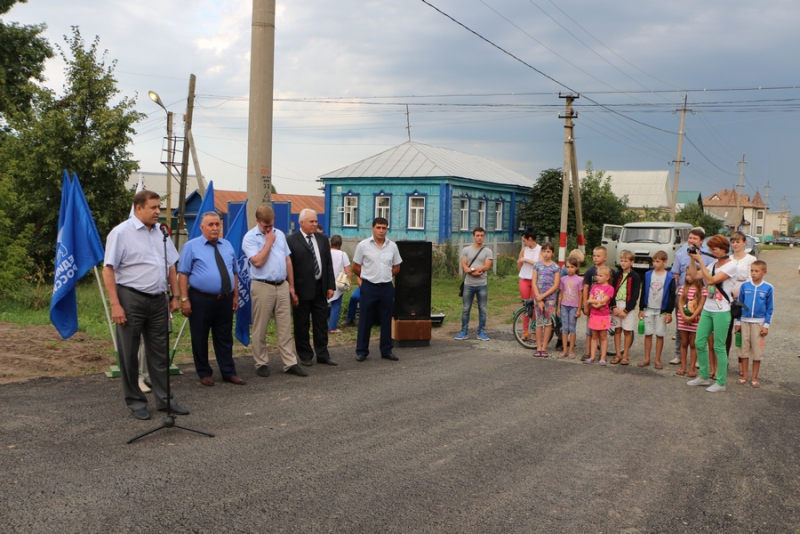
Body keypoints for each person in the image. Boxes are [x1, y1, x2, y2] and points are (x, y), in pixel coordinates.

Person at [102, 190, 188, 420]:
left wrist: (175, 296)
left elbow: (171, 265)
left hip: (158, 300)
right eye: (153, 207)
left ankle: (165, 400)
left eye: (158, 207)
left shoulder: (161, 233)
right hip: (131, 298)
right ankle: (136, 401)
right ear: (138, 208)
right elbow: (108, 268)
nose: (157, 212)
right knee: (129, 353)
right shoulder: (121, 233)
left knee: (159, 353)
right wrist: (115, 305)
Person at [177, 211, 244, 387]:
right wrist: (184, 299)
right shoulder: (191, 246)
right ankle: (204, 372)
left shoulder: (227, 245)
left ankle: (228, 372)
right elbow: (182, 274)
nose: (215, 228)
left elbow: (234, 273)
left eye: (217, 224)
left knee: (224, 337)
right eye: (211, 225)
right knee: (200, 336)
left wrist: (235, 296)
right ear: (202, 227)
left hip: (225, 299)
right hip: (200, 298)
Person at [242, 205, 307, 378]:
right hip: (262, 285)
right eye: (265, 226)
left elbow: (287, 260)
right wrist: (268, 242)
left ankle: (289, 362)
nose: (269, 229)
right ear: (257, 222)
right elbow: (257, 262)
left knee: (285, 327)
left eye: (271, 225)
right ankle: (261, 362)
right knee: (260, 327)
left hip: (282, 285)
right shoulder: (250, 238)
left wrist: (291, 287)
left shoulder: (279, 234)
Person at [286, 209, 337, 366]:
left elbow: (328, 263)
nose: (315, 224)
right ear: (301, 223)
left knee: (321, 323)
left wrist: (330, 285)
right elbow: (289, 266)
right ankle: (305, 355)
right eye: (311, 222)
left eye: (316, 221)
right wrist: (292, 289)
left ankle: (322, 354)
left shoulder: (322, 239)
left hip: (320, 288)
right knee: (302, 324)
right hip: (301, 290)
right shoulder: (291, 240)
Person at [687, 234, 737, 392]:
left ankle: (721, 382)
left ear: (723, 250)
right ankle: (703, 376)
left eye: (713, 249)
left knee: (719, 346)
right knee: (699, 342)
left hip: (722, 310)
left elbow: (710, 281)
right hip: (708, 308)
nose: (711, 251)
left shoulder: (732, 265)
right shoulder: (714, 264)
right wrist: (693, 259)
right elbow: (695, 275)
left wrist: (701, 260)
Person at [352, 217, 402, 362]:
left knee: (386, 318)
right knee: (365, 318)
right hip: (369, 286)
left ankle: (386, 350)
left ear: (387, 229)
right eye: (378, 227)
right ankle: (362, 351)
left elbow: (397, 266)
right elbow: (355, 266)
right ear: (372, 228)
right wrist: (368, 277)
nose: (381, 231)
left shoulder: (392, 246)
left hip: (386, 286)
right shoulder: (363, 245)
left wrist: (385, 275)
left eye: (384, 228)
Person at [669, 227, 713, 365]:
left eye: (695, 238)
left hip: (701, 295)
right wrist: (674, 295)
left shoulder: (708, 257)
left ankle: (700, 358)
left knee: (701, 327)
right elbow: (675, 275)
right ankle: (678, 355)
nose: (691, 240)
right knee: (680, 325)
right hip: (683, 294)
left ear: (701, 241)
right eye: (690, 238)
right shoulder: (681, 255)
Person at [734, 260, 774, 388]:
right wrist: (738, 322)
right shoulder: (745, 286)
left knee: (757, 352)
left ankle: (754, 377)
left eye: (756, 271)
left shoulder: (768, 287)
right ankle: (744, 376)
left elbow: (770, 308)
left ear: (764, 272)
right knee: (743, 351)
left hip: (759, 323)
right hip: (744, 322)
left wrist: (766, 325)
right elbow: (739, 305)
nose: (753, 273)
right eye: (752, 270)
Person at [637, 250, 676, 370]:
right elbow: (643, 292)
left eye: (658, 261)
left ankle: (657, 359)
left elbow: (671, 295)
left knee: (660, 335)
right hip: (648, 308)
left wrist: (669, 312)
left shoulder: (670, 277)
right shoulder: (648, 274)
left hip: (661, 310)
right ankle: (647, 358)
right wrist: (641, 308)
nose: (655, 263)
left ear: (665, 262)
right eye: (653, 261)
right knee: (648, 334)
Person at [455, 227, 494, 341]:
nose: (479, 237)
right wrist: (474, 270)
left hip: (482, 284)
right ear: (473, 236)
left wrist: (472, 269)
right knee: (466, 308)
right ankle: (464, 331)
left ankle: (481, 332)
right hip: (469, 284)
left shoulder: (488, 251)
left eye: (482, 235)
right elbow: (464, 267)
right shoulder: (466, 250)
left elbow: (486, 267)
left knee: (482, 309)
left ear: (484, 236)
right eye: (477, 235)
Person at [727, 231, 757, 375]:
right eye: (733, 242)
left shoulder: (751, 259)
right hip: (728, 295)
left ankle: (741, 363)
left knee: (742, 331)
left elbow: (753, 278)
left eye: (738, 241)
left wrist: (742, 291)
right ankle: (723, 359)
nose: (735, 244)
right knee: (726, 329)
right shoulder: (728, 259)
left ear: (744, 243)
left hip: (744, 296)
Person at [610, 250, 640, 366]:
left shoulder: (635, 276)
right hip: (617, 304)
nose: (623, 263)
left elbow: (635, 294)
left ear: (632, 262)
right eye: (622, 260)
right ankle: (618, 354)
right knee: (617, 330)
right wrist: (614, 307)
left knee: (627, 331)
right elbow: (612, 291)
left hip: (628, 307)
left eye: (626, 261)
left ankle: (625, 355)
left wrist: (627, 310)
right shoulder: (617, 275)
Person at [581, 247, 611, 361]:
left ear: (605, 257)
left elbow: (611, 288)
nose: (595, 258)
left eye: (598, 256)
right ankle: (588, 352)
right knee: (590, 331)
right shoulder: (590, 271)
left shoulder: (610, 271)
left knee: (603, 333)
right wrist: (585, 304)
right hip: (592, 307)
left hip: (604, 308)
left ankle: (602, 355)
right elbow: (586, 287)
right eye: (594, 256)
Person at [531, 242, 560, 357]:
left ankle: (544, 347)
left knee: (547, 322)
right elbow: (534, 282)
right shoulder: (537, 266)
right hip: (538, 298)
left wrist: (543, 297)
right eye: (544, 251)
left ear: (552, 253)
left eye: (548, 251)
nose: (546, 254)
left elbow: (556, 285)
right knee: (539, 322)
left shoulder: (555, 267)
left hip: (550, 299)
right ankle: (538, 347)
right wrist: (539, 297)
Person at [676, 272, 706, 377]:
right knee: (684, 343)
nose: (688, 277)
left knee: (693, 344)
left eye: (691, 274)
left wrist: (692, 317)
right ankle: (683, 367)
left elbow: (701, 305)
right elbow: (680, 302)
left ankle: (692, 368)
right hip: (683, 319)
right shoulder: (684, 288)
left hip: (695, 320)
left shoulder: (702, 290)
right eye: (687, 274)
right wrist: (684, 316)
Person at [584, 265, 614, 365]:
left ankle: (603, 356)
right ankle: (592, 356)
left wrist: (592, 302)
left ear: (607, 277)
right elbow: (590, 299)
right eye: (597, 275)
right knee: (594, 336)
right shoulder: (594, 287)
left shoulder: (610, 288)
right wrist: (595, 304)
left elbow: (604, 301)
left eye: (601, 275)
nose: (598, 277)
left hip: (603, 316)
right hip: (594, 315)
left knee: (603, 337)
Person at [516, 228, 540, 341]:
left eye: (525, 240)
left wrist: (526, 260)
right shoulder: (523, 250)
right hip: (525, 279)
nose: (524, 243)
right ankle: (525, 331)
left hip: (535, 281)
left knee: (535, 306)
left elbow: (539, 264)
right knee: (525, 306)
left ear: (530, 239)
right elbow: (519, 263)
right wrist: (522, 269)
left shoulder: (540, 249)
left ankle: (534, 331)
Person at [557, 256, 582, 359]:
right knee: (565, 328)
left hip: (574, 307)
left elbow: (581, 295)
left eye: (572, 267)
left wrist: (579, 309)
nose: (569, 269)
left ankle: (571, 349)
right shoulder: (563, 279)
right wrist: (558, 307)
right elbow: (560, 294)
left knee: (572, 328)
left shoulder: (579, 280)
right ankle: (564, 349)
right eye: (567, 267)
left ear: (576, 267)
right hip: (564, 305)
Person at [327, 235, 351, 334]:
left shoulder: (326, 252)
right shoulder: (342, 254)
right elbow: (348, 270)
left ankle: (319, 326)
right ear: (340, 244)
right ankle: (332, 327)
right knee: (336, 305)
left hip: (325, 282)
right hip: (338, 283)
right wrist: (348, 282)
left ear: (330, 242)